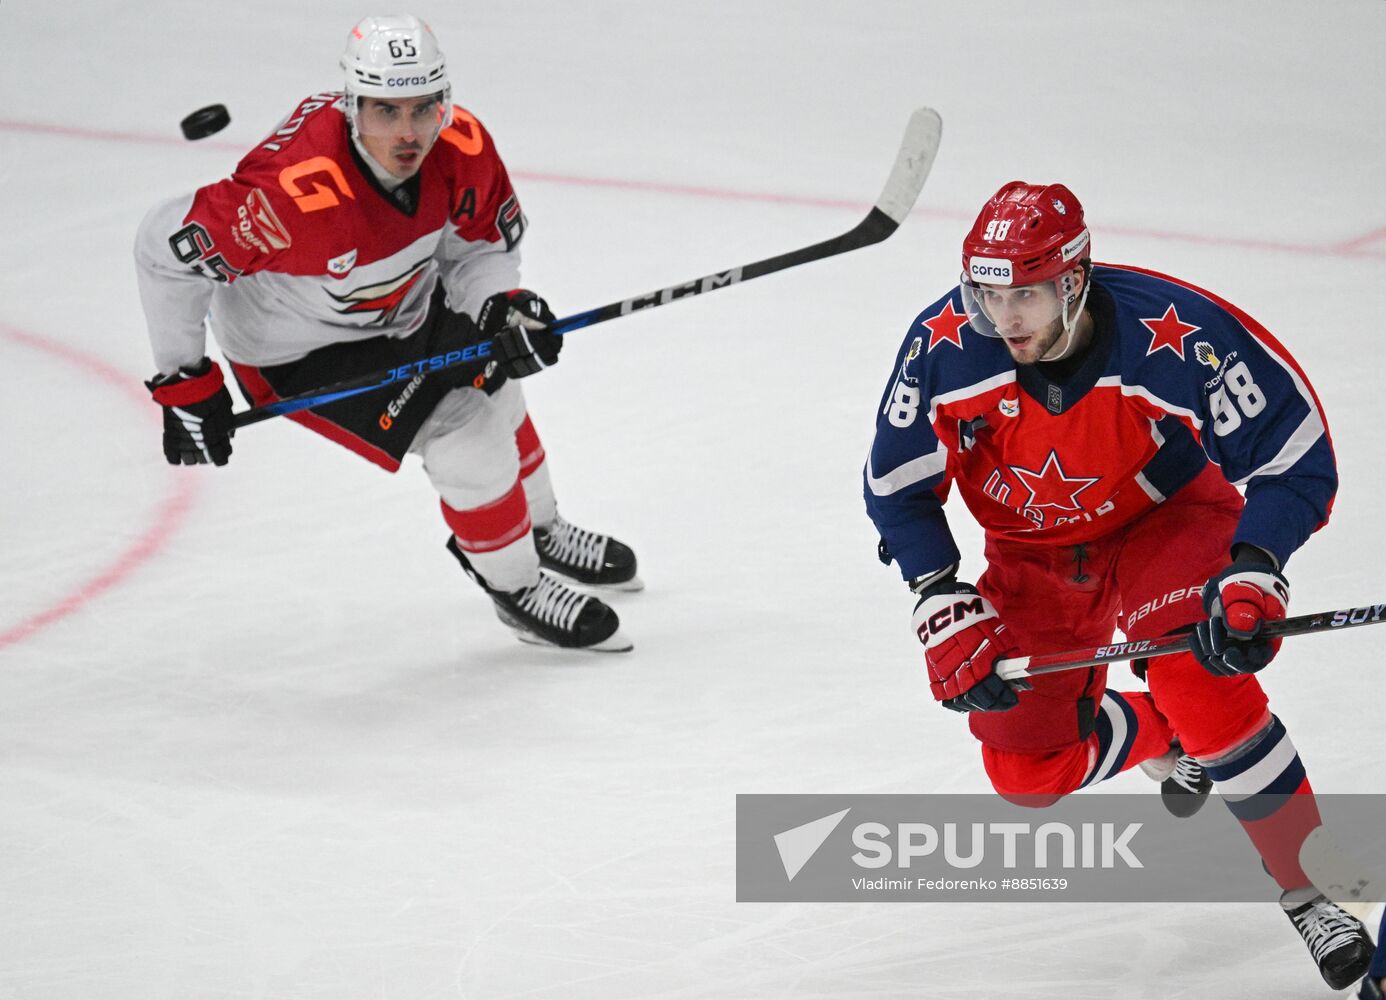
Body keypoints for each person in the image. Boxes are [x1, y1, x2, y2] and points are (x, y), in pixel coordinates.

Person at [864, 181, 1373, 989]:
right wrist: (936, 591)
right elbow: (897, 487)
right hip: (1031, 558)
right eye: (987, 294)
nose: (1006, 319)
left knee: (1203, 685)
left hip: (1160, 528)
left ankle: (1311, 891)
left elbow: (1294, 453)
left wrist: (1255, 566)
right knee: (1027, 778)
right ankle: (1156, 735)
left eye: (1024, 294)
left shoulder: (1174, 336)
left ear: (1073, 279)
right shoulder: (944, 347)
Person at [135, 15, 640, 652]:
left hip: (401, 303)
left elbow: (478, 247)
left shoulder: (462, 147)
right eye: (385, 112)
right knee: (467, 437)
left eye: (423, 109)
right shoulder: (292, 198)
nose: (408, 134)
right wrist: (184, 380)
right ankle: (516, 587)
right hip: (298, 352)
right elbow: (163, 249)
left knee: (498, 382)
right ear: (352, 107)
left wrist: (502, 306)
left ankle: (538, 526)